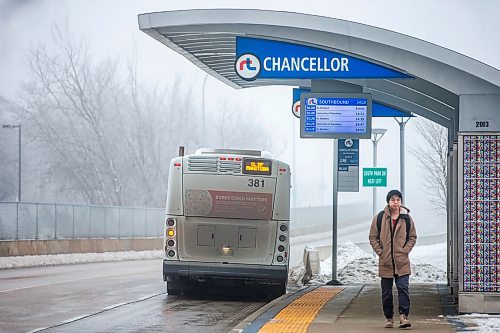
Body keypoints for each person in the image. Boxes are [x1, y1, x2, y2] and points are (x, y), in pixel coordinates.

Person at [369, 189, 417, 329]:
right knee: (386, 293)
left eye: (398, 199)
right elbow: (373, 237)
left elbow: (412, 237)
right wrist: (381, 252)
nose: (395, 202)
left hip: (402, 262)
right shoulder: (380, 218)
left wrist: (405, 250)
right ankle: (389, 318)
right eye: (393, 200)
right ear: (388, 202)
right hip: (386, 262)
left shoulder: (407, 218)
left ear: (401, 201)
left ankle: (404, 317)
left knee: (403, 288)